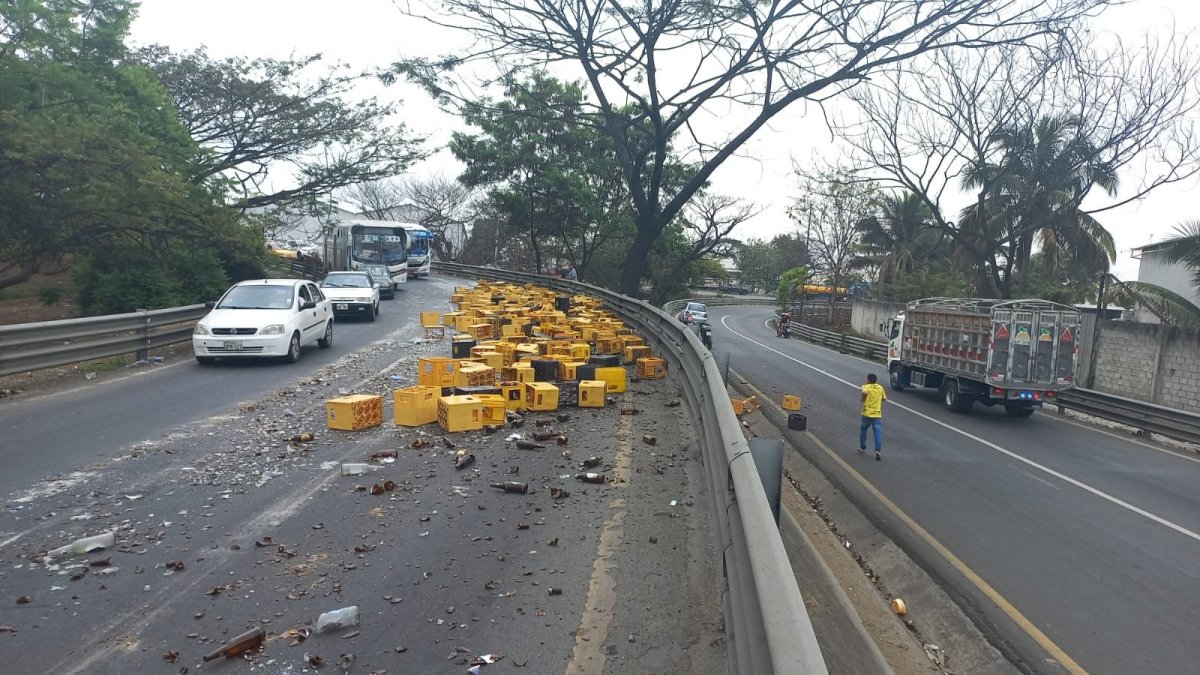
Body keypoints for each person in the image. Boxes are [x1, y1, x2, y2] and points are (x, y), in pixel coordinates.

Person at [859, 373, 887, 461]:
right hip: (877, 414)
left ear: (868, 380)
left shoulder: (866, 386)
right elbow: (884, 398)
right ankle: (877, 450)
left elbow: (864, 392)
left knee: (863, 429)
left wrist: (863, 399)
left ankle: (863, 447)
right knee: (877, 432)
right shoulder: (880, 387)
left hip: (867, 413)